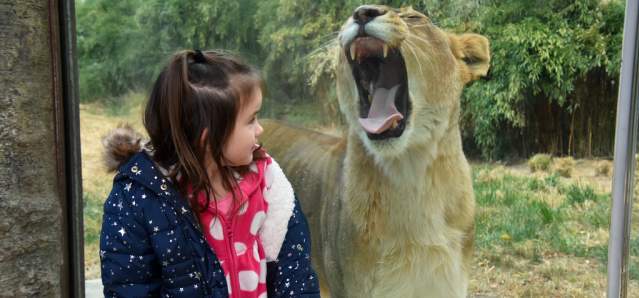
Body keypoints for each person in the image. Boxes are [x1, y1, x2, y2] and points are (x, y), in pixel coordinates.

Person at [99, 49, 320, 297]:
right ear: (208, 137)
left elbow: (297, 278)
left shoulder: (269, 185)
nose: (259, 129)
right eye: (251, 119)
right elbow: (130, 288)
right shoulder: (137, 199)